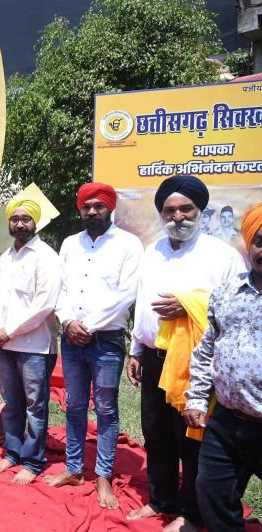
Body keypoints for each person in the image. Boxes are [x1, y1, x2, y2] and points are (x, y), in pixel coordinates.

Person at [126, 176, 245, 532]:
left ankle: (191, 514)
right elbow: (141, 304)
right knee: (156, 432)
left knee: (190, 437)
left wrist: (188, 305)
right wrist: (135, 349)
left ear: (199, 210)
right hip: (153, 356)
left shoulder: (221, 255)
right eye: (169, 210)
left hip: (195, 363)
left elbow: (235, 308)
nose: (177, 216)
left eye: (185, 209)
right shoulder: (153, 252)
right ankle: (160, 499)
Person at [45, 183, 143, 507]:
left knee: (106, 409)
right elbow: (59, 289)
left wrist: (89, 325)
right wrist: (69, 322)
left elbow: (126, 294)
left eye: (98, 206)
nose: (91, 212)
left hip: (107, 341)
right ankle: (73, 468)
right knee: (73, 404)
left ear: (109, 208)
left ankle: (103, 476)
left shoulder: (128, 245)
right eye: (86, 207)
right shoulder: (71, 245)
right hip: (72, 338)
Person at [184, 203, 262, 531]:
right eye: (260, 240)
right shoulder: (229, 291)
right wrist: (197, 398)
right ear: (248, 244)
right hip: (227, 421)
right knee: (211, 492)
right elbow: (207, 349)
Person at [0, 197, 61, 484]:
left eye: (26, 218)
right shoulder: (6, 257)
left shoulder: (46, 257)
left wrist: (11, 330)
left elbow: (45, 304)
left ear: (35, 222)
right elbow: (0, 299)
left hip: (35, 347)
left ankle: (33, 460)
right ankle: (13, 452)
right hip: (6, 345)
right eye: (15, 219)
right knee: (12, 402)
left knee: (36, 406)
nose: (20, 223)